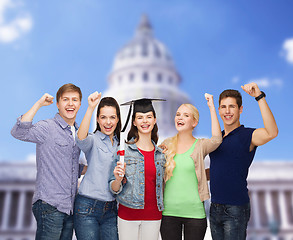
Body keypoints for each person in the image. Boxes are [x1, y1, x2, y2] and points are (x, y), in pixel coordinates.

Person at [11, 83, 82, 240]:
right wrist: (39, 104)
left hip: (69, 207)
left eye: (75, 100)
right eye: (65, 99)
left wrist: (91, 169)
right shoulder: (47, 127)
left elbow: (69, 166)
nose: (70, 104)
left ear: (80, 104)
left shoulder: (78, 132)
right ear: (57, 104)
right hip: (50, 205)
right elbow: (18, 132)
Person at [209, 83, 278, 240]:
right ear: (218, 110)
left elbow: (272, 132)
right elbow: (218, 170)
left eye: (232, 106)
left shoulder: (248, 135)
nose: (227, 111)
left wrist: (259, 97)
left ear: (240, 109)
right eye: (223, 107)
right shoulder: (217, 139)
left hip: (235, 208)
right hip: (214, 207)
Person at [160, 94, 222, 240]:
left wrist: (212, 107)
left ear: (194, 122)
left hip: (195, 214)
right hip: (168, 214)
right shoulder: (166, 145)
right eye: (178, 114)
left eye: (186, 115)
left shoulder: (200, 145)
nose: (180, 118)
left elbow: (217, 139)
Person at [109, 98, 166, 240]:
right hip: (128, 215)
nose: (145, 121)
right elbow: (114, 189)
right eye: (140, 117)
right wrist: (117, 179)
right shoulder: (124, 151)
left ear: (154, 120)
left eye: (149, 117)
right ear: (134, 122)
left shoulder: (160, 155)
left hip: (153, 216)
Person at [73, 92, 121, 240]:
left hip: (111, 210)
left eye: (112, 117)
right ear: (98, 120)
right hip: (87, 207)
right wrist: (90, 108)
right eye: (103, 117)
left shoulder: (122, 145)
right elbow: (80, 138)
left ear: (118, 119)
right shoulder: (93, 140)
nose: (108, 122)